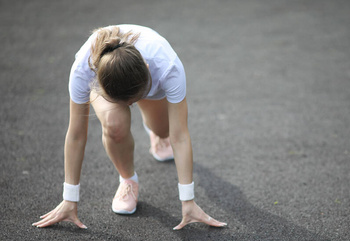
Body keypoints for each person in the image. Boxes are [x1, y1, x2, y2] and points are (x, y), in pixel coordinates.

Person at [32, 24, 227, 230]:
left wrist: (188, 201)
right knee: (115, 124)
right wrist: (69, 199)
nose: (130, 107)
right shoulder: (84, 69)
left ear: (148, 69)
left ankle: (156, 133)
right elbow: (76, 135)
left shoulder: (167, 66)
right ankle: (127, 181)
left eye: (134, 101)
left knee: (165, 130)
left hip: (145, 81)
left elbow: (180, 136)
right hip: (112, 80)